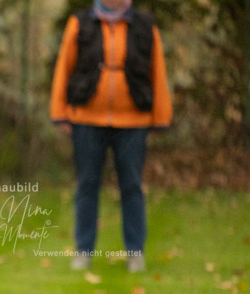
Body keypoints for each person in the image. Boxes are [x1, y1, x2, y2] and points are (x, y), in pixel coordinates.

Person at [50, 0, 172, 273]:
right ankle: (83, 250)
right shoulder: (79, 24)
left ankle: (135, 252)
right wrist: (60, 112)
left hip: (133, 121)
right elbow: (63, 68)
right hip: (86, 119)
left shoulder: (145, 26)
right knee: (87, 185)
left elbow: (157, 71)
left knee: (132, 186)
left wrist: (160, 116)